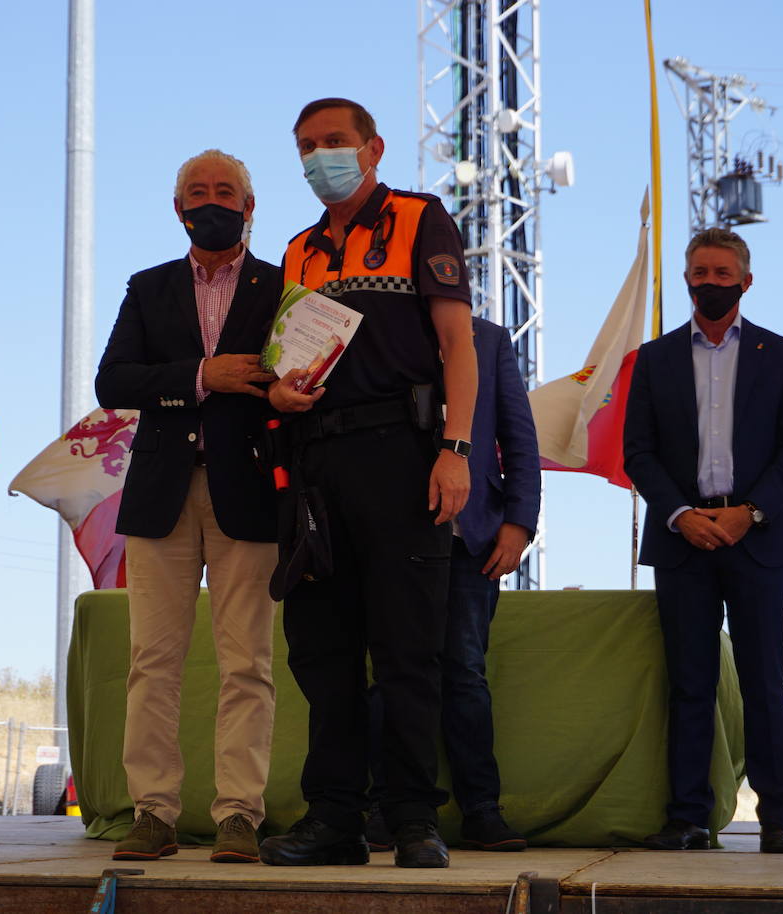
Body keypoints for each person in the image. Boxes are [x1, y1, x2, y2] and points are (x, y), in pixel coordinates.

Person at [259, 98, 477, 869]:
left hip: (405, 455)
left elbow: (458, 343)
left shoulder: (422, 219)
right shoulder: (298, 250)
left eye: (335, 143)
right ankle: (334, 820)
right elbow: (290, 361)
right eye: (307, 147)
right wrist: (278, 392)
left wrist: (455, 447)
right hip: (318, 466)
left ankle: (414, 818)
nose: (322, 157)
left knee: (409, 649)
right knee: (323, 651)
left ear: (373, 148)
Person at [95, 149, 281, 865]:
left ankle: (239, 815)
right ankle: (153, 813)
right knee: (153, 662)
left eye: (225, 191)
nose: (212, 201)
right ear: (178, 209)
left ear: (249, 205)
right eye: (197, 192)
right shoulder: (148, 288)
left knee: (248, 665)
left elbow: (301, 371)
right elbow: (114, 380)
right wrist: (204, 376)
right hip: (161, 495)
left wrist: (260, 385)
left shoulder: (281, 286)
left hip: (250, 492)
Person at [624, 227, 783, 854]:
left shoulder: (778, 353)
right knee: (690, 683)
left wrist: (749, 512)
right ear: (686, 279)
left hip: (757, 539)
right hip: (683, 540)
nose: (710, 283)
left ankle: (776, 818)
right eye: (699, 273)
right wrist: (681, 514)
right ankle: (688, 819)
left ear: (746, 280)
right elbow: (639, 453)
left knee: (765, 681)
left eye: (721, 274)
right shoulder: (654, 359)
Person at [365, 317, 541, 853]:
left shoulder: (488, 338)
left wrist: (519, 521)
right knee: (391, 674)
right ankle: (382, 809)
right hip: (391, 529)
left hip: (472, 537)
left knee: (465, 673)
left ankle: (482, 811)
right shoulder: (382, 328)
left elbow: (518, 434)